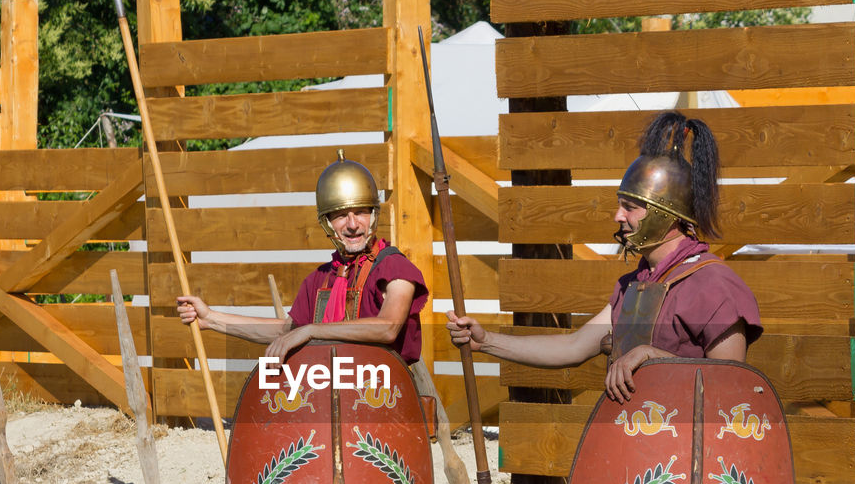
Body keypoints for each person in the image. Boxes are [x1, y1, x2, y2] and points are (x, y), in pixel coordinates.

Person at [446, 110, 761, 403]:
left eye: (630, 207)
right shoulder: (634, 285)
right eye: (620, 204)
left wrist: (654, 357)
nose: (617, 216)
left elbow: (731, 387)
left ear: (667, 214)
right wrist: (485, 341)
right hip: (635, 446)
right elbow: (574, 346)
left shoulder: (713, 284)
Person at [177, 152, 428, 364]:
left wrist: (311, 331)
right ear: (327, 223)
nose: (353, 224)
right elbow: (286, 331)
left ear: (373, 215)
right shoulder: (319, 279)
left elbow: (388, 327)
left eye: (360, 212)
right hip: (330, 398)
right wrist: (211, 318)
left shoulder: (395, 267)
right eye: (341, 215)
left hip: (386, 399)